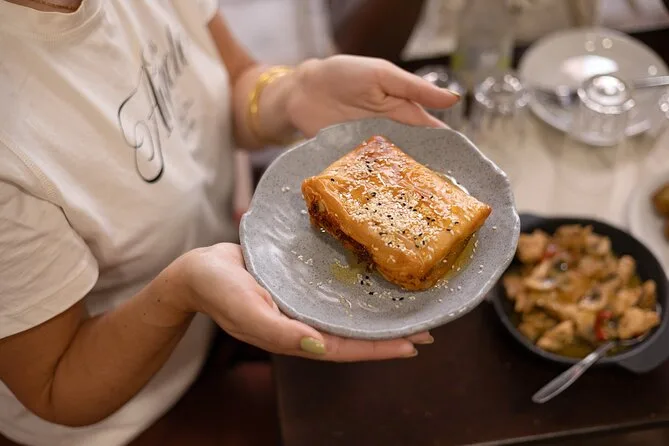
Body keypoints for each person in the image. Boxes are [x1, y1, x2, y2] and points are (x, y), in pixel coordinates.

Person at [0, 1, 460, 445]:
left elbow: (234, 82)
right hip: (130, 414)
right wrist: (181, 293)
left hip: (226, 295)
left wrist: (293, 91)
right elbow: (55, 387)